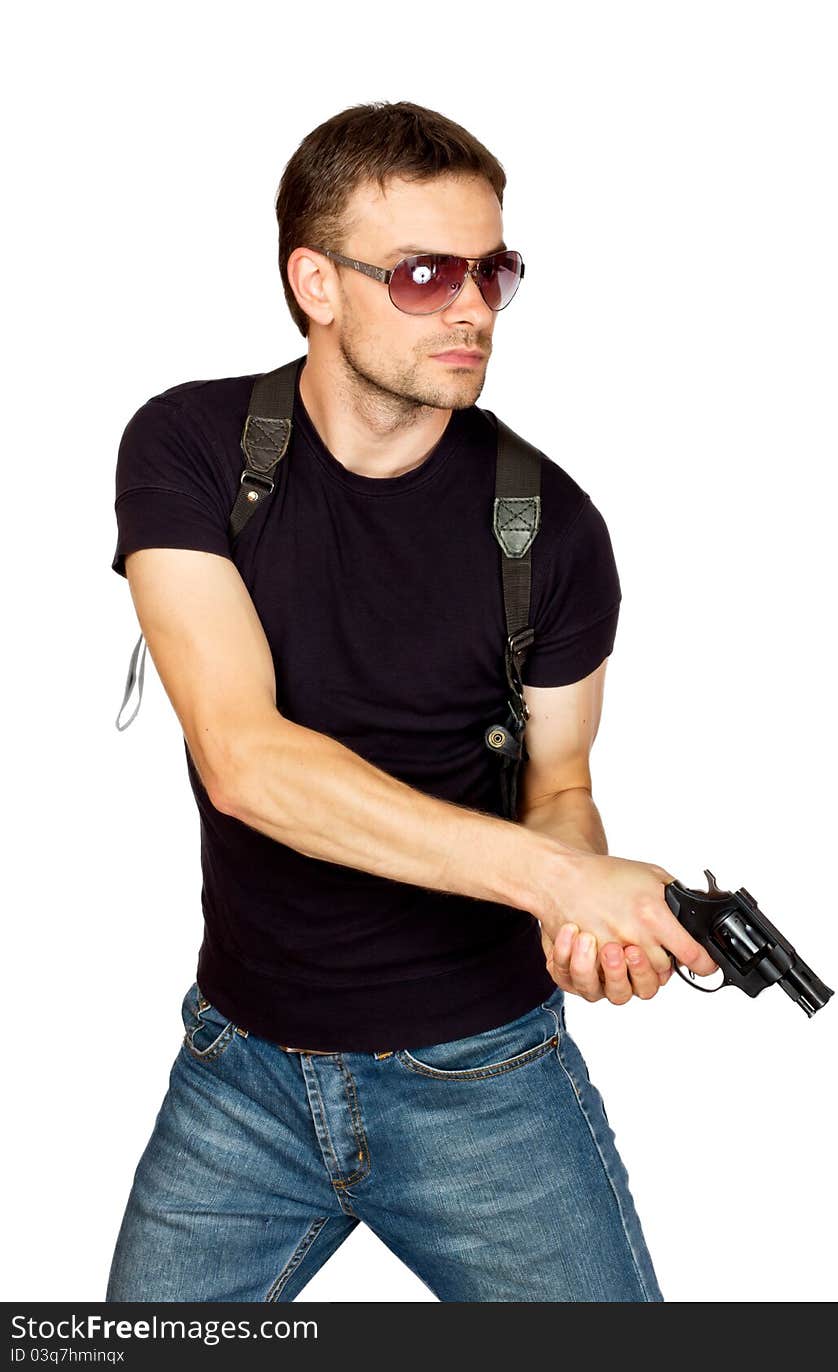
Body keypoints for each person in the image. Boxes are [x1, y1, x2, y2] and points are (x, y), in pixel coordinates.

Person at [105, 100, 717, 1304]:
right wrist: (560, 881)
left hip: (485, 1075)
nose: (475, 307)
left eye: (494, 270)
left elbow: (560, 785)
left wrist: (578, 921)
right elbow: (245, 759)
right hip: (240, 1074)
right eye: (428, 273)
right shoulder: (188, 449)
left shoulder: (549, 525)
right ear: (314, 284)